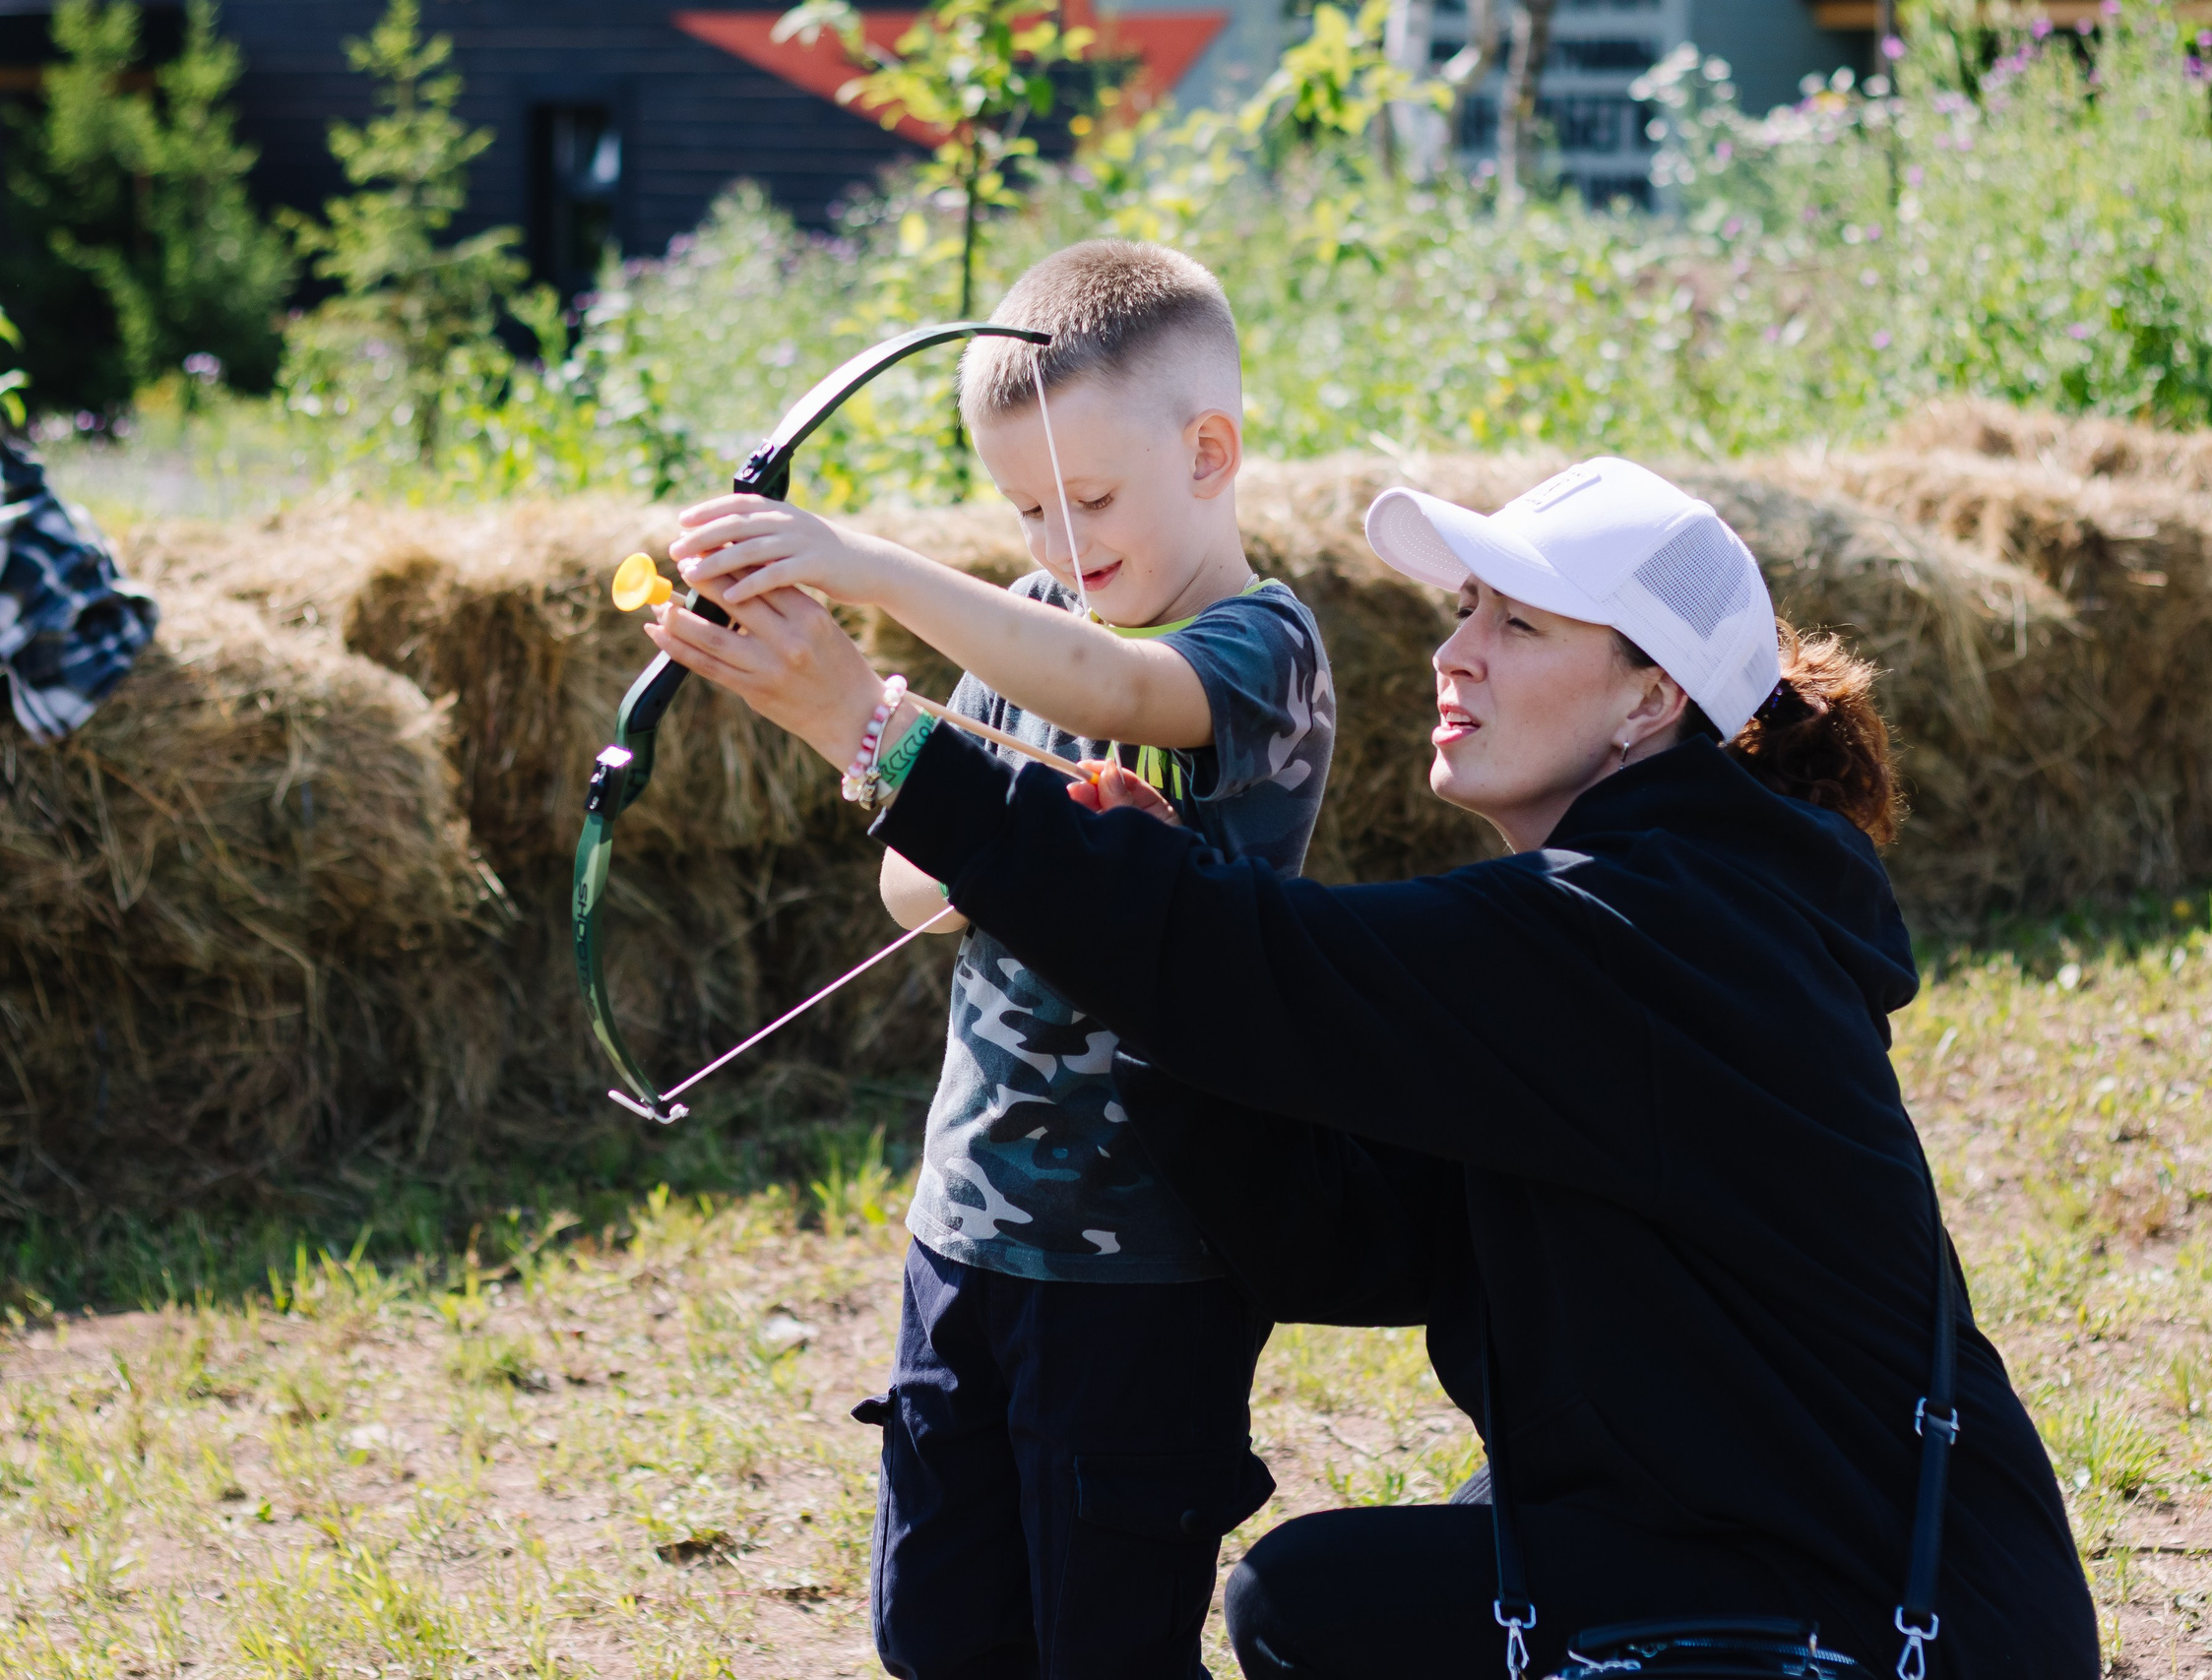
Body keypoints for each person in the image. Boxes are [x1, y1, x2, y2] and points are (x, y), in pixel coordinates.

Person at [650, 457, 2100, 1679]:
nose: (1453, 654)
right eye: (1465, 610)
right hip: (1762, 1541)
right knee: (1352, 1589)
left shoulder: (1653, 930)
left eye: (1520, 627)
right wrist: (1171, 986)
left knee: (1319, 1608)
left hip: (1891, 1622)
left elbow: (1272, 970)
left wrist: (877, 732)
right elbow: (1339, 1241)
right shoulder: (1657, 907)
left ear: (1649, 704)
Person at [669, 241, 1335, 1680]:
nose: (1056, 543)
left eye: (1088, 499)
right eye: (1025, 507)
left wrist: (857, 570)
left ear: (1208, 450)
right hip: (966, 1220)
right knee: (941, 1625)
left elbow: (1118, 689)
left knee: (1105, 1633)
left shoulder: (1258, 647)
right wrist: (1003, 835)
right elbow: (914, 879)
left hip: (1154, 1251)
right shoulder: (1032, 618)